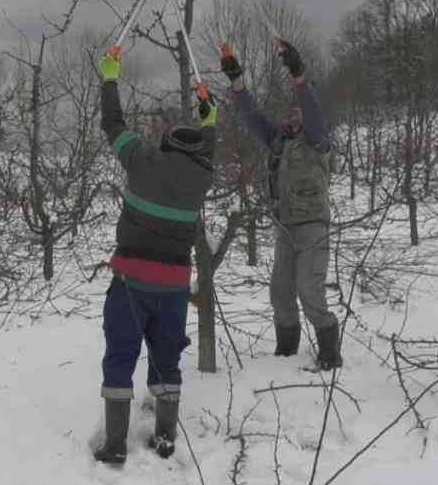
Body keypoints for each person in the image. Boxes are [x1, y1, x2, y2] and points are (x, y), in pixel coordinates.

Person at [93, 49, 217, 465]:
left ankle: (114, 444)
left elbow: (114, 125)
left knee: (119, 358)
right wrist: (210, 117)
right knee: (166, 362)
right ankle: (165, 437)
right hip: (173, 289)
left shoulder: (141, 160)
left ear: (164, 144)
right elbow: (209, 143)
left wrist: (110, 78)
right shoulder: (202, 178)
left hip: (130, 282)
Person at [221, 39, 342, 371]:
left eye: (300, 108)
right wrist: (237, 83)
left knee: (308, 287)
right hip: (285, 226)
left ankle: (330, 351)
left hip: (313, 226)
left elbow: (312, 109)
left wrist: (298, 73)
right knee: (281, 289)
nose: (295, 113)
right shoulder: (278, 140)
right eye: (292, 109)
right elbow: (252, 116)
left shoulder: (317, 140)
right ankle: (287, 350)